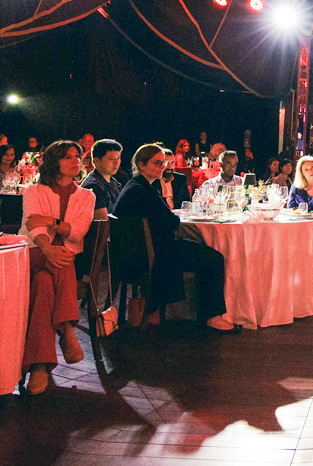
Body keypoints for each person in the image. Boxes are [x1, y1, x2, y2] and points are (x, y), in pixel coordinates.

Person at [109, 143, 228, 330]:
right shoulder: (145, 191)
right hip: (151, 257)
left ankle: (160, 310)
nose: (162, 167)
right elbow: (171, 222)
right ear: (141, 165)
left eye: (163, 162)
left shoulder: (133, 186)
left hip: (131, 254)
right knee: (214, 259)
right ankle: (213, 317)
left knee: (195, 250)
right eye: (157, 163)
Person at [17, 141, 94, 394]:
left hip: (60, 261)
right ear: (53, 162)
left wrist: (52, 220)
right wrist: (47, 247)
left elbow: (78, 232)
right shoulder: (34, 191)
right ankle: (67, 327)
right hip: (35, 252)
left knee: (44, 283)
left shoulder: (87, 196)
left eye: (78, 157)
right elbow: (34, 227)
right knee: (58, 261)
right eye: (68, 157)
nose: (76, 162)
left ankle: (39, 367)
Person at [80, 139, 124, 213]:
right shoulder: (93, 186)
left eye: (118, 158)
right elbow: (102, 221)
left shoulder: (114, 182)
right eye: (111, 159)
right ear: (96, 161)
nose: (116, 162)